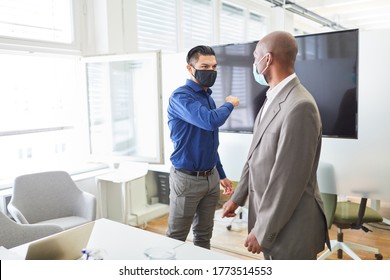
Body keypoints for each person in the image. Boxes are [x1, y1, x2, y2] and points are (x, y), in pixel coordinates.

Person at [222, 31, 330, 260]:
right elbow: (255, 156)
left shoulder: (300, 106)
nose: (253, 63)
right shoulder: (272, 97)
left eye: (255, 57)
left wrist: (262, 230)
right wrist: (237, 197)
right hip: (272, 218)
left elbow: (288, 180)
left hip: (291, 226)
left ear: (268, 59)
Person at [166, 45, 240, 249]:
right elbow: (210, 121)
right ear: (190, 69)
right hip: (186, 180)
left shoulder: (207, 97)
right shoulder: (181, 97)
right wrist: (230, 104)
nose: (211, 71)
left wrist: (222, 174)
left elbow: (209, 143)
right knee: (176, 237)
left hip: (211, 178)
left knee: (204, 236)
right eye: (205, 66)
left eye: (214, 67)